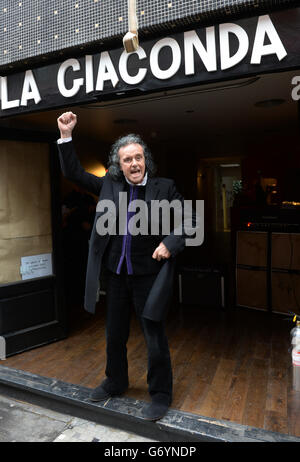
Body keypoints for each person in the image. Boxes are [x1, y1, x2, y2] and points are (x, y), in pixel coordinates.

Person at [56, 111, 191, 421]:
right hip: (116, 275)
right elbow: (74, 173)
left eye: (138, 157)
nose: (134, 163)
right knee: (114, 334)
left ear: (146, 160)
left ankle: (160, 393)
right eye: (127, 159)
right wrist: (66, 137)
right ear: (119, 165)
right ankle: (116, 381)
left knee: (154, 336)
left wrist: (170, 243)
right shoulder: (109, 186)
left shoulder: (164, 188)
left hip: (149, 277)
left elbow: (190, 219)